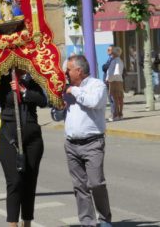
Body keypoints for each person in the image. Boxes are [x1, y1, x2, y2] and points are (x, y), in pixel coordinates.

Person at [64, 55, 112, 227]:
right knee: (79, 186)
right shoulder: (68, 88)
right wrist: (58, 107)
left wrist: (74, 91)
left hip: (92, 143)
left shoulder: (97, 85)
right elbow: (59, 114)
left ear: (79, 70)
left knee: (96, 183)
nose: (66, 73)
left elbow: (92, 102)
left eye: (69, 69)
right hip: (71, 144)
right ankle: (87, 222)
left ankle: (105, 218)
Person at [0, 70, 47, 227]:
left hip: (33, 138)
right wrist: (12, 87)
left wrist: (24, 90)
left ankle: (27, 222)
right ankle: (13, 223)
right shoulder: (2, 80)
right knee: (15, 181)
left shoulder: (33, 80)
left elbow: (43, 100)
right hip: (9, 137)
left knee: (29, 182)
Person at [106, 46, 124, 122]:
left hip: (115, 81)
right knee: (119, 98)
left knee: (116, 98)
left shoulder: (116, 61)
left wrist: (109, 79)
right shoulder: (118, 60)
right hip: (117, 80)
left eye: (113, 52)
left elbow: (116, 72)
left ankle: (117, 114)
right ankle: (119, 114)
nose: (111, 53)